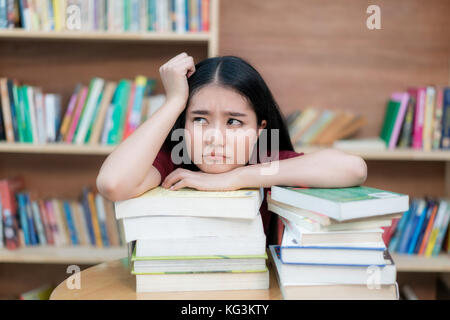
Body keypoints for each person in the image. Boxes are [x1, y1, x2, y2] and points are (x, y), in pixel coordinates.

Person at [96, 52, 367, 244]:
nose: (216, 137)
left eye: (234, 122)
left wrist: (232, 179)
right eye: (199, 119)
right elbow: (113, 183)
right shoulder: (175, 162)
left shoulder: (265, 162)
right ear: (183, 124)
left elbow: (353, 168)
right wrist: (175, 100)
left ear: (260, 129)